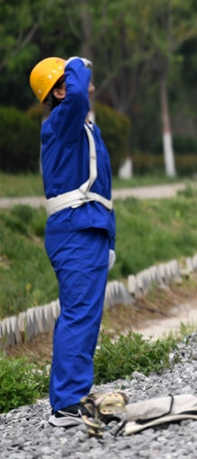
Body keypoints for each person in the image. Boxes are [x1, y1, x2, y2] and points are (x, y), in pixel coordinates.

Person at [30, 56, 116, 426]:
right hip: (75, 231)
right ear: (61, 90)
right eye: (78, 80)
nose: (89, 85)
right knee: (79, 316)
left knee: (85, 317)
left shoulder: (81, 128)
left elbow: (103, 186)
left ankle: (74, 394)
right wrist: (78, 62)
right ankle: (66, 402)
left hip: (89, 229)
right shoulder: (62, 122)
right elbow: (80, 89)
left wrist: (109, 238)